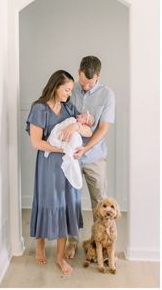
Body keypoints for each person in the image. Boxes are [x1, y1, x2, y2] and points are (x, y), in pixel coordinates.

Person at [26, 70, 89, 275]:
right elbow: (36, 143)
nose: (69, 94)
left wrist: (76, 126)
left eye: (71, 90)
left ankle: (60, 256)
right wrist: (63, 149)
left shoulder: (68, 107)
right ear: (55, 86)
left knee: (64, 204)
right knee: (47, 202)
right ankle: (41, 243)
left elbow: (88, 130)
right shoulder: (39, 108)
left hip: (67, 165)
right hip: (49, 165)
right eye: (66, 89)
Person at [63, 55, 115, 259]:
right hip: (72, 157)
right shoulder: (70, 89)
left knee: (100, 204)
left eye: (90, 83)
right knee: (72, 202)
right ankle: (72, 242)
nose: (84, 87)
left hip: (94, 157)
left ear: (98, 77)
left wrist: (86, 148)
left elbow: (103, 128)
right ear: (79, 73)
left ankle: (98, 244)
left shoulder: (107, 95)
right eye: (82, 82)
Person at [44, 111, 95, 189]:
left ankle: (69, 154)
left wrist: (76, 126)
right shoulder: (72, 120)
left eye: (82, 117)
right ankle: (65, 148)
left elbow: (89, 133)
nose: (78, 116)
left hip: (70, 144)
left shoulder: (82, 127)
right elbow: (62, 126)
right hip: (60, 137)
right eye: (80, 115)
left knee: (76, 137)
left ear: (85, 123)